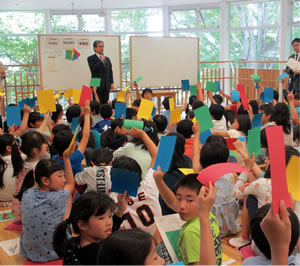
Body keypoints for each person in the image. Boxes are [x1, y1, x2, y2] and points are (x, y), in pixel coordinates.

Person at [16, 146, 75, 262]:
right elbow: (71, 184)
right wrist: (66, 158)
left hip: (29, 252)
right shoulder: (57, 197)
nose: (63, 180)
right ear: (45, 180)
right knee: (68, 199)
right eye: (60, 176)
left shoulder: (26, 193)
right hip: (56, 251)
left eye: (63, 175)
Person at [153, 170, 223, 265]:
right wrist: (159, 181)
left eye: (189, 200)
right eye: (179, 198)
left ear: (203, 198)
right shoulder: (208, 215)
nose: (182, 205)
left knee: (156, 236)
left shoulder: (190, 232)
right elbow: (172, 202)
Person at [53, 191, 128, 265]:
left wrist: (120, 211)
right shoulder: (98, 254)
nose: (109, 222)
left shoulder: (74, 244)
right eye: (101, 218)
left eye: (110, 216)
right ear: (82, 225)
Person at [11, 131, 48, 223]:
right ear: (35, 150)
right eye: (44, 143)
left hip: (18, 212)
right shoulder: (40, 168)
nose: (47, 145)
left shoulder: (20, 163)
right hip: (34, 215)